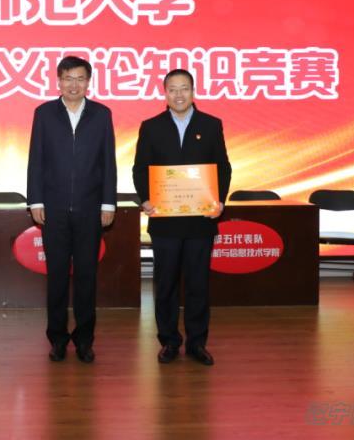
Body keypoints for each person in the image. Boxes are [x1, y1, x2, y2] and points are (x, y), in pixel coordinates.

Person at [131, 69, 231, 366]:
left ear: (193, 91)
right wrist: (145, 198)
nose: (178, 94)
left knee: (198, 285)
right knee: (166, 285)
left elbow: (223, 167)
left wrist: (219, 202)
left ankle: (197, 343)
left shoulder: (211, 125)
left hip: (200, 220)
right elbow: (140, 168)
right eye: (172, 89)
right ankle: (169, 341)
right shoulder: (151, 127)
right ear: (165, 93)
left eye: (184, 88)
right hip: (165, 221)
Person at [26, 56, 117, 364]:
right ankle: (57, 338)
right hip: (53, 209)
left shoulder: (102, 114)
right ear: (59, 81)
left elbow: (108, 162)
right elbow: (36, 160)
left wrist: (108, 202)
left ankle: (84, 339)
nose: (74, 85)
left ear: (88, 82)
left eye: (80, 79)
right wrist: (36, 201)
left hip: (91, 209)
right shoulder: (44, 113)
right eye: (68, 78)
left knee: (87, 277)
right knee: (56, 277)